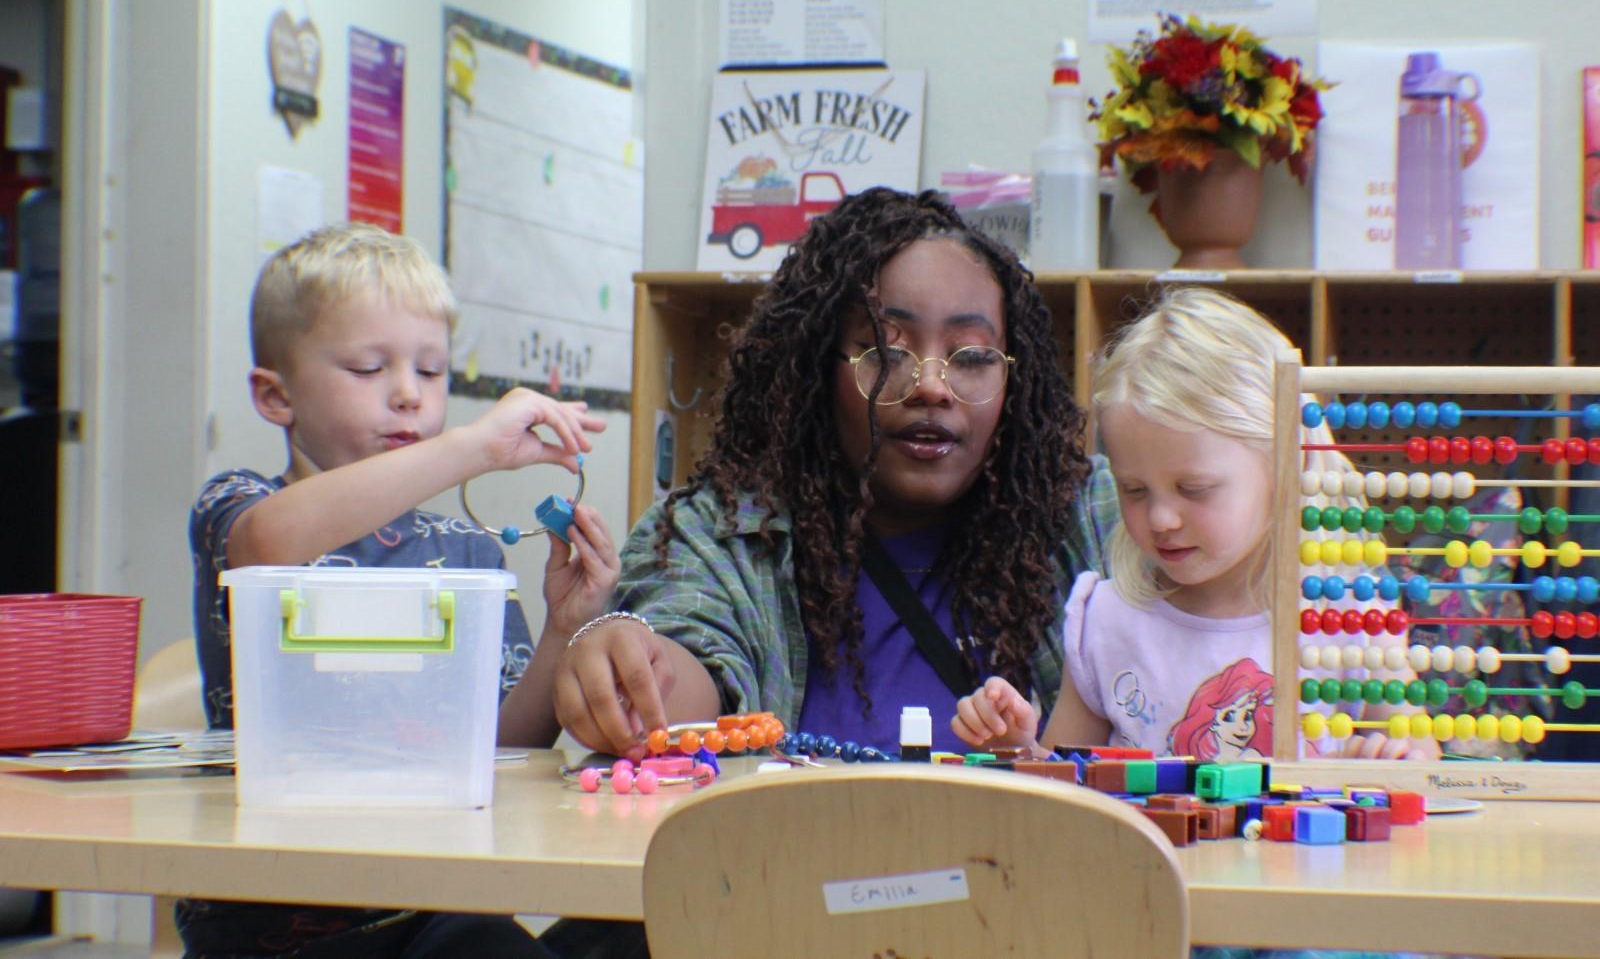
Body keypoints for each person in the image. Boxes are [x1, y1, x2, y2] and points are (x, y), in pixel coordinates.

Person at [551, 186, 1119, 759]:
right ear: (816, 370)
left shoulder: (1090, 518)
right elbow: (688, 656)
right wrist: (633, 668)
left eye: (970, 357)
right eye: (885, 352)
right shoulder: (723, 534)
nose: (930, 385)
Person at [183, 223, 618, 958]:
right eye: (367, 368)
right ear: (275, 395)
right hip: (277, 921)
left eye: (432, 370)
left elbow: (501, 745)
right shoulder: (240, 504)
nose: (409, 396)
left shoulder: (466, 551)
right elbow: (265, 547)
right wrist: (476, 446)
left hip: (435, 905)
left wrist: (562, 627)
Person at [953, 286, 1438, 763]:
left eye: (1195, 489)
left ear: (1285, 468)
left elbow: (1421, 759)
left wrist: (1389, 761)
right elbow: (1065, 788)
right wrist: (1015, 749)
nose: (1161, 519)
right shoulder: (1108, 620)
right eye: (1134, 490)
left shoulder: (1349, 616)